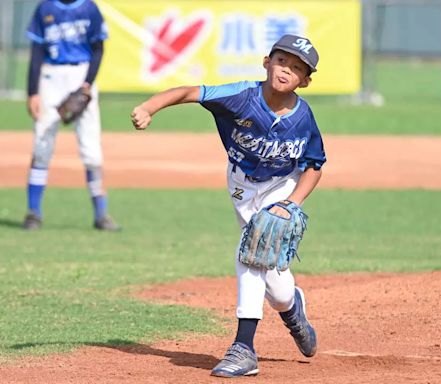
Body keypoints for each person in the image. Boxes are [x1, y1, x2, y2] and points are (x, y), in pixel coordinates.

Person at [131, 34, 326, 377]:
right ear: (267, 62)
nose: (286, 70)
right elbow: (189, 92)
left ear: (305, 81)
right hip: (241, 185)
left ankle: (244, 349)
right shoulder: (241, 96)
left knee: (250, 253)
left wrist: (292, 203)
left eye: (296, 68)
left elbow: (314, 164)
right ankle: (293, 310)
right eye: (282, 61)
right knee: (277, 286)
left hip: (281, 187)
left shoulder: (303, 117)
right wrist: (150, 107)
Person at [22, 0, 119, 231]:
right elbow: (37, 51)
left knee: (91, 149)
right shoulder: (45, 8)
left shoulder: (89, 8)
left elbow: (98, 49)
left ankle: (101, 214)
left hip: (81, 74)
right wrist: (32, 92)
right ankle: (33, 212)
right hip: (51, 76)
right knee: (42, 145)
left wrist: (87, 85)